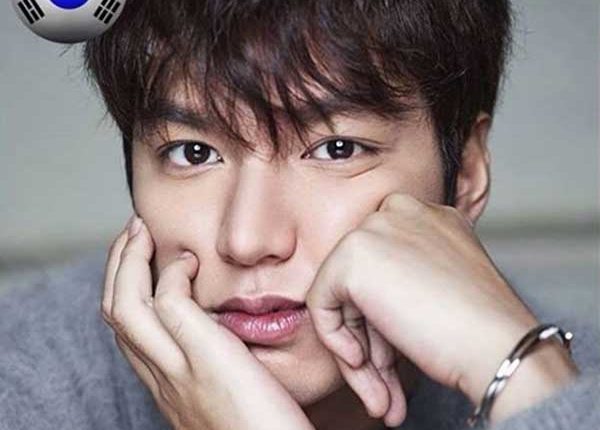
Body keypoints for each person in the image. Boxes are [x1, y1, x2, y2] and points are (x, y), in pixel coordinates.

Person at [1, 0, 598, 429]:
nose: (248, 239)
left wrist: (532, 381)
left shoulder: (576, 390)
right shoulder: (25, 384)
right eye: (193, 153)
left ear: (465, 174)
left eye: (336, 149)